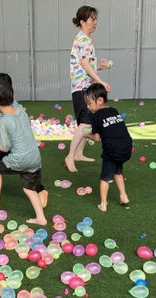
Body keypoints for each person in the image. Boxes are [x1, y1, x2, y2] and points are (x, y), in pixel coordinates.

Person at [0, 82, 47, 226]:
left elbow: (4, 147)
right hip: (35, 157)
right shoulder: (21, 110)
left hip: (19, 158)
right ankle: (41, 218)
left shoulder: (4, 121)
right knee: (29, 188)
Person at [65, 5, 112, 172]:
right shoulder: (84, 40)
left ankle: (78, 153)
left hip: (82, 86)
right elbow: (84, 64)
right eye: (92, 19)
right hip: (82, 87)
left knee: (85, 122)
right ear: (83, 21)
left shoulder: (83, 39)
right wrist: (101, 82)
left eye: (96, 18)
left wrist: (99, 67)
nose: (95, 22)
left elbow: (85, 64)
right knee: (85, 123)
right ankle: (70, 156)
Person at [83, 83, 131, 212]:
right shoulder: (114, 110)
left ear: (99, 101)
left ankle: (103, 204)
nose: (88, 107)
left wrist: (87, 135)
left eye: (89, 103)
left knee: (105, 178)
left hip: (112, 149)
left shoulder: (95, 116)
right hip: (126, 146)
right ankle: (124, 196)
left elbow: (97, 138)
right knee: (118, 171)